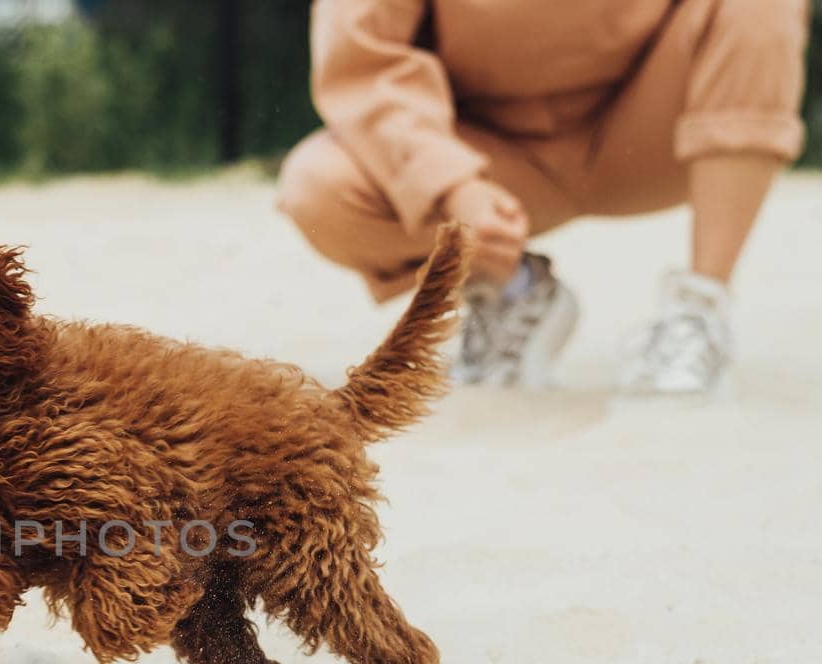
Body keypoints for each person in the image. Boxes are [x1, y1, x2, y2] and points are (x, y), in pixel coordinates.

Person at [275, 0, 810, 396]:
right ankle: (512, 290)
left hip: (648, 129)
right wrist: (453, 183)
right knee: (319, 187)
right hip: (488, 156)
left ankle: (700, 309)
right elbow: (367, 60)